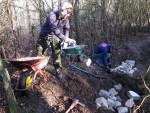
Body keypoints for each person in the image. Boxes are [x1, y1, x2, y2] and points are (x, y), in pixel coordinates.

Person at [36, 2, 76, 79]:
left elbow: (66, 28)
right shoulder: (52, 16)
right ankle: (39, 73)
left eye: (69, 13)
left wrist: (65, 41)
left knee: (57, 52)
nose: (68, 15)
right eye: (67, 13)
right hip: (44, 35)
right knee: (41, 56)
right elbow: (55, 29)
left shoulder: (65, 18)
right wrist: (66, 39)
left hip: (54, 36)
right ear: (62, 10)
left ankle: (58, 71)